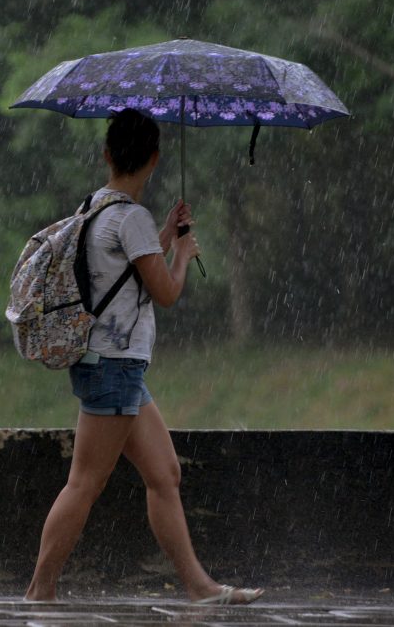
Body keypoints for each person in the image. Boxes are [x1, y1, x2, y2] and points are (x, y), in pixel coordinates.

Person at [23, 108, 263, 606]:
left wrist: (165, 237)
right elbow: (166, 292)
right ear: (154, 160)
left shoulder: (97, 208)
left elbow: (121, 275)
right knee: (85, 483)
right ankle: (39, 590)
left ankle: (199, 587)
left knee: (164, 474)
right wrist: (181, 254)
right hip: (114, 366)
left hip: (113, 365)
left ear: (108, 155)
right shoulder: (132, 218)